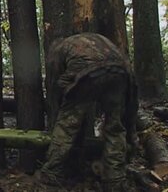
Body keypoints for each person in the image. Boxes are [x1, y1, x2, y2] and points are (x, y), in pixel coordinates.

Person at [37, 33, 138, 192]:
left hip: (88, 73)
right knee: (115, 127)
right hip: (119, 72)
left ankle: (52, 173)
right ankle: (115, 179)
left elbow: (55, 86)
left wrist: (62, 107)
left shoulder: (59, 49)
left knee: (67, 126)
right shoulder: (94, 40)